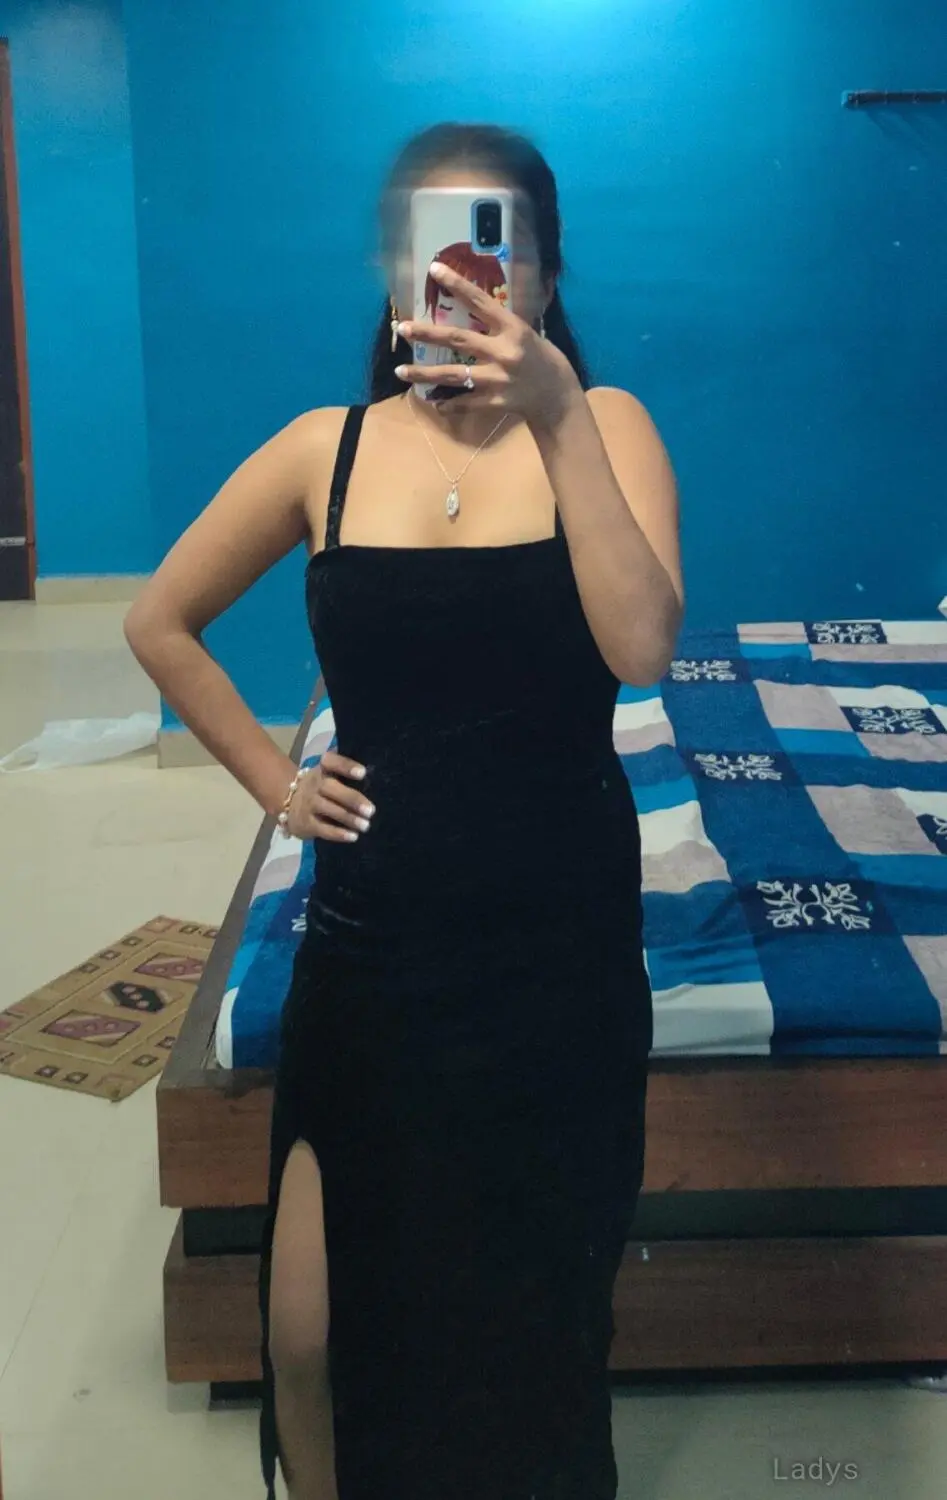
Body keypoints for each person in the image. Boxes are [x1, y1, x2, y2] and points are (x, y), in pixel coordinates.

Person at [125, 121, 683, 1500]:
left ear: (545, 275)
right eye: (428, 248)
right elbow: (160, 622)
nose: (462, 277)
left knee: (534, 1321)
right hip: (370, 954)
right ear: (391, 275)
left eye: (499, 246)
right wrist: (277, 784)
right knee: (309, 1333)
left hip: (555, 950)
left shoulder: (604, 424)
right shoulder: (324, 451)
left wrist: (557, 412)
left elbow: (641, 649)